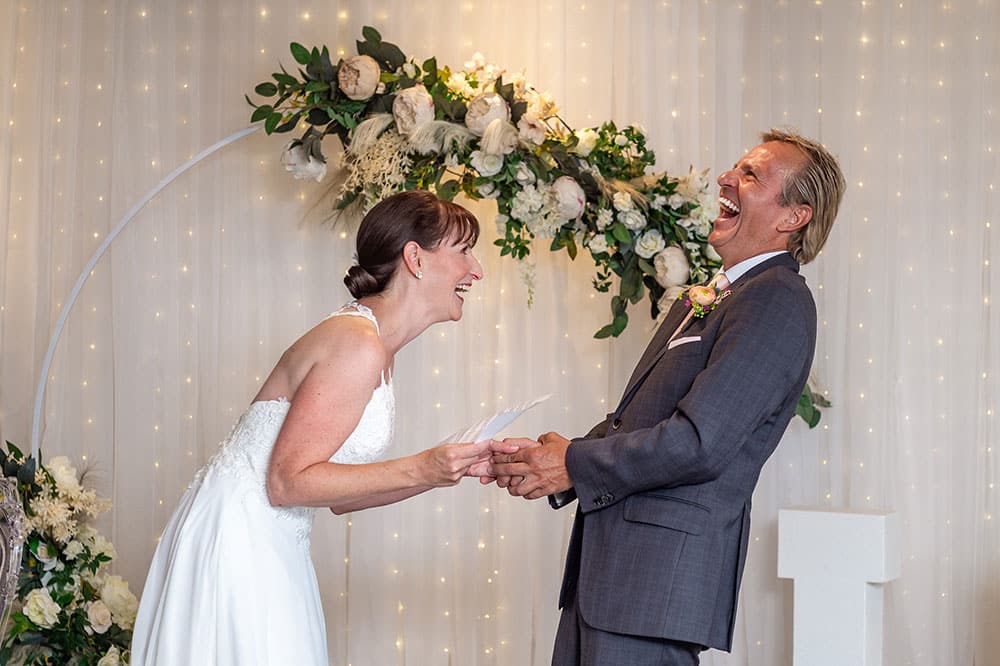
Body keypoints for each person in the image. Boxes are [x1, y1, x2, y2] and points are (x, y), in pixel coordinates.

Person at [489, 129, 846, 665]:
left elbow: (699, 442)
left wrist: (572, 463)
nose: (727, 177)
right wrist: (551, 460)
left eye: (751, 175)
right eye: (735, 167)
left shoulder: (776, 299)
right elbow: (642, 421)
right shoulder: (717, 294)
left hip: (651, 591)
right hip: (611, 585)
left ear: (793, 217)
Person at [131, 190, 505, 665]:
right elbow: (287, 482)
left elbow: (338, 497)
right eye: (464, 251)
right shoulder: (357, 343)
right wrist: (425, 466)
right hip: (239, 545)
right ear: (415, 257)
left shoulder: (376, 348)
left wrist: (447, 467)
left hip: (271, 540)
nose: (476, 270)